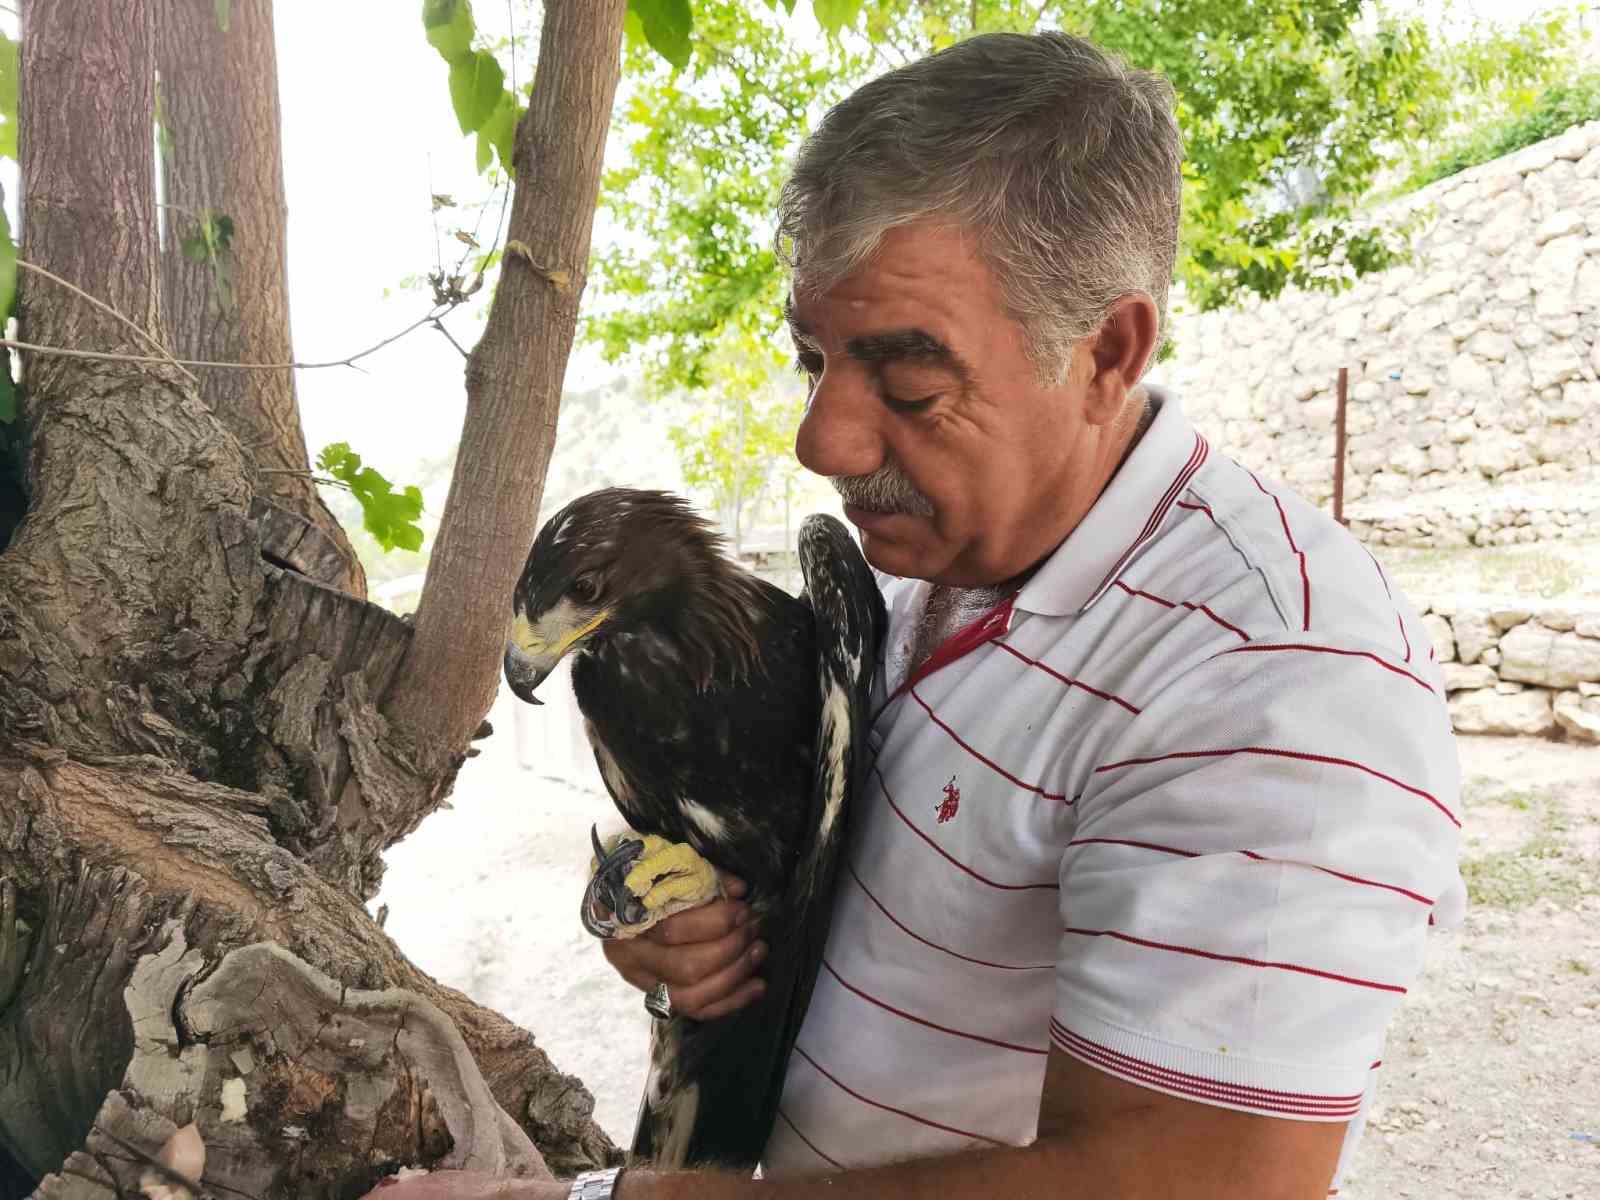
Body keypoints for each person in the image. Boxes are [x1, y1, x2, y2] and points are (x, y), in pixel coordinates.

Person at [375, 29, 1463, 1200]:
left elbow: (1194, 1184)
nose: (822, 440)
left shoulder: (1273, 672)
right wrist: (670, 918)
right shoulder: (899, 565)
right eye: (812, 360)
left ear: (1106, 351)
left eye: (909, 385)